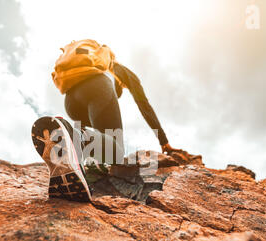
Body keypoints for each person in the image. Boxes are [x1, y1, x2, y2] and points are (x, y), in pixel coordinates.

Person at [31, 39, 180, 202]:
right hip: (97, 88)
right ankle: (75, 136)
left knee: (101, 140)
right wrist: (163, 141)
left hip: (71, 101)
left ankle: (78, 165)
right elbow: (144, 106)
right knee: (116, 151)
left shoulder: (86, 66)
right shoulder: (119, 70)